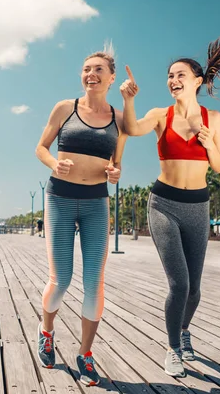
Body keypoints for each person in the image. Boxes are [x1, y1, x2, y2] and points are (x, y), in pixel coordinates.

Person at [120, 33, 220, 377]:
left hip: (198, 206)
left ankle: (184, 331)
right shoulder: (161, 115)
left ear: (197, 81)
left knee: (195, 289)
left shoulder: (214, 119)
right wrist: (129, 100)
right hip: (163, 204)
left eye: (180, 75)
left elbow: (219, 166)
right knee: (179, 284)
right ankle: (173, 347)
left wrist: (208, 143)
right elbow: (130, 128)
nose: (173, 80)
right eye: (170, 75)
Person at [34, 44, 128, 386]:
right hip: (59, 197)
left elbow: (117, 163)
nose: (91, 74)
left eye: (99, 69)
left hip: (95, 202)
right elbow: (41, 147)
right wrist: (54, 163)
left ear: (111, 77)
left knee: (94, 283)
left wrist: (115, 173)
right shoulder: (64, 108)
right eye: (87, 69)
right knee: (61, 280)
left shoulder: (119, 119)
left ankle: (85, 354)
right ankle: (47, 331)